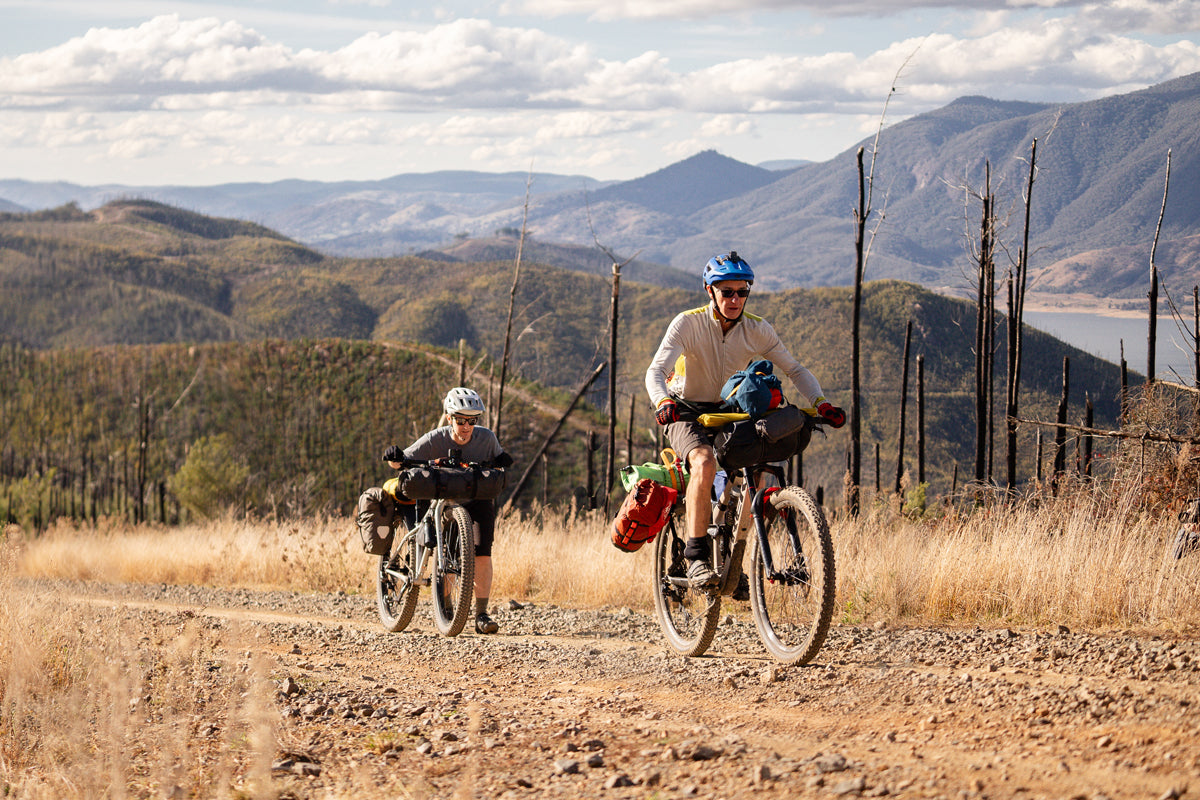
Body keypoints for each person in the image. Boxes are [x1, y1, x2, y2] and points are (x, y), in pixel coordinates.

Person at [644, 251, 845, 588]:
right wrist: (662, 400)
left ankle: (731, 566)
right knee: (704, 463)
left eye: (742, 292)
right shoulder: (688, 323)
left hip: (728, 409)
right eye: (727, 292)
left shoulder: (756, 329)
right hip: (683, 409)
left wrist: (820, 403)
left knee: (751, 472)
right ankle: (695, 557)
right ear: (710, 291)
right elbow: (656, 371)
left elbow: (794, 369)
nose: (735, 299)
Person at [382, 387, 513, 634]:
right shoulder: (435, 439)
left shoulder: (486, 438)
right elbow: (401, 461)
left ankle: (482, 614)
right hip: (440, 499)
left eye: (472, 421)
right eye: (460, 420)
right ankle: (448, 609)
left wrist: (502, 460)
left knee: (483, 553)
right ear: (449, 417)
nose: (466, 426)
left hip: (475, 498)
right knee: (445, 555)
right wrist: (393, 457)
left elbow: (498, 458)